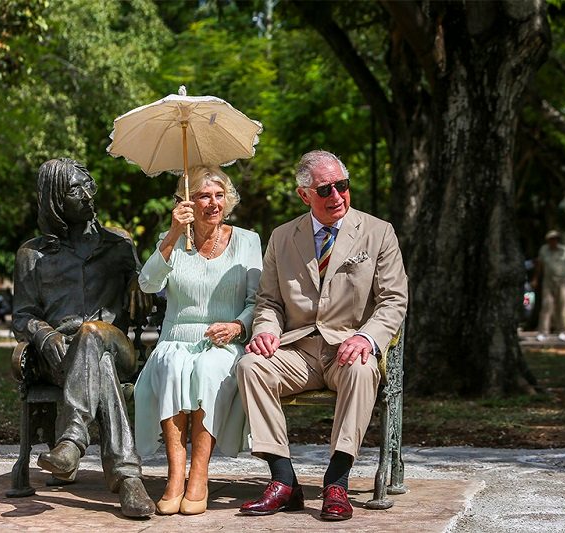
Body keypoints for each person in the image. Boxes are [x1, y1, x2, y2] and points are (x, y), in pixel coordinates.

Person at [236, 150, 408, 521]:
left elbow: (394, 300)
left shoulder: (379, 232)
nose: (337, 197)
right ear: (304, 195)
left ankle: (336, 481)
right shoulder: (282, 237)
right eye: (325, 189)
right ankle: (283, 481)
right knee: (250, 365)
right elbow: (268, 301)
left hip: (348, 349)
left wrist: (367, 338)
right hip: (297, 350)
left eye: (342, 186)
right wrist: (265, 331)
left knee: (363, 370)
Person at [11, 157, 155, 517]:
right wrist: (43, 336)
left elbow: (148, 291)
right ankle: (128, 480)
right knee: (98, 363)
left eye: (89, 184)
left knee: (95, 337)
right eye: (77, 190)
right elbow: (22, 316)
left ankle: (73, 439)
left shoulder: (118, 245)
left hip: (117, 344)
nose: (89, 194)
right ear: (56, 199)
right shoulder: (32, 254)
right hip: (60, 355)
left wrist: (142, 281)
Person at [134, 166, 262, 516]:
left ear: (228, 200)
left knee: (208, 369)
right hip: (177, 338)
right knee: (173, 367)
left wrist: (238, 326)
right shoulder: (173, 239)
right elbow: (147, 284)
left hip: (225, 340)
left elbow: (258, 302)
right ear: (187, 201)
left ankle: (199, 477)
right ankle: (176, 477)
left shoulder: (248, 241)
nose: (213, 203)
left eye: (219, 195)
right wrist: (174, 233)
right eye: (204, 195)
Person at [533, 230, 565, 342]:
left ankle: (561, 331)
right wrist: (535, 279)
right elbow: (539, 265)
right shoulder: (544, 250)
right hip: (548, 281)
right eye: (551, 239)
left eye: (555, 239)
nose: (553, 241)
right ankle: (543, 332)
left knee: (561, 307)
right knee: (546, 306)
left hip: (562, 281)